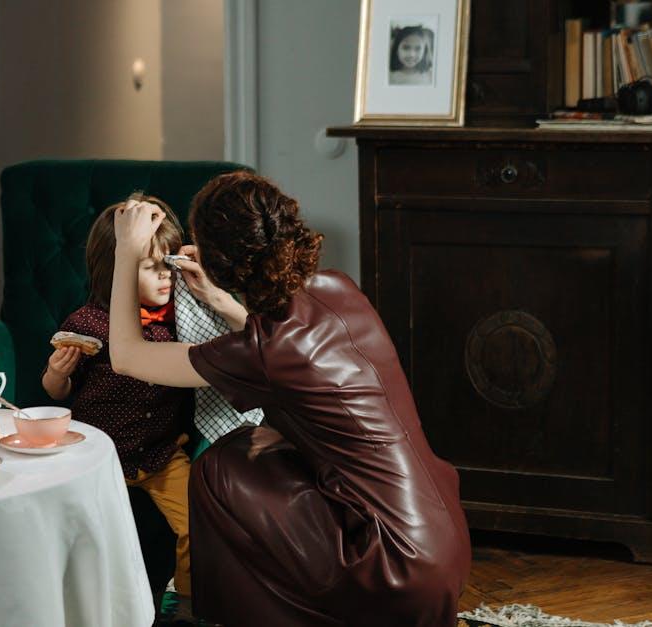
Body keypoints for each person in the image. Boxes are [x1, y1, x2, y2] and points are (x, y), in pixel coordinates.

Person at [106, 172, 471, 626]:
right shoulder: (337, 288)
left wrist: (125, 253)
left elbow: (125, 356)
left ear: (220, 260)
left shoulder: (264, 350)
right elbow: (293, 355)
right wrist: (219, 300)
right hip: (443, 544)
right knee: (252, 444)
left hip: (390, 564)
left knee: (218, 467)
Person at [41, 194, 246, 613]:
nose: (165, 277)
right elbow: (56, 393)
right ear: (114, 269)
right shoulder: (87, 323)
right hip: (98, 454)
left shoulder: (182, 320)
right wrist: (58, 373)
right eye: (152, 267)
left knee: (200, 523)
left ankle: (187, 602)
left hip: (161, 454)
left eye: (168, 265)